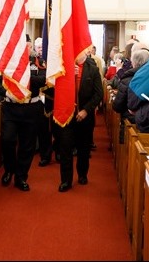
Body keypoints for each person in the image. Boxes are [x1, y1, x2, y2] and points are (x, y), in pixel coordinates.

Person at [0, 35, 46, 191]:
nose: (25, 49)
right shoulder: (8, 64)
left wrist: (24, 79)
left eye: (27, 46)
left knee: (27, 145)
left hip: (31, 108)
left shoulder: (39, 62)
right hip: (11, 108)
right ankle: (9, 168)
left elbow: (44, 79)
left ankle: (21, 176)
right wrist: (9, 91)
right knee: (7, 140)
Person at [54, 50, 103, 192]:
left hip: (84, 117)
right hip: (67, 116)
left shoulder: (93, 70)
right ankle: (65, 180)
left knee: (83, 148)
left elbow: (98, 93)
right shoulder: (62, 68)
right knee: (65, 148)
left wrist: (86, 110)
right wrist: (69, 76)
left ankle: (82, 174)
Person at [32, 37, 53, 167]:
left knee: (49, 130)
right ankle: (40, 151)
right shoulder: (31, 62)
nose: (41, 50)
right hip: (34, 100)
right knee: (38, 129)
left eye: (43, 47)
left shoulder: (51, 62)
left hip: (50, 99)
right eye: (39, 47)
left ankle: (50, 154)